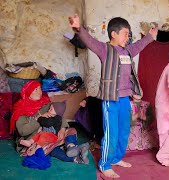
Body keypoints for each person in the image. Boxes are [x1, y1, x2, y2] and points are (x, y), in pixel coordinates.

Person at [68, 14, 158, 178]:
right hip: (110, 100)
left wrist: (150, 37)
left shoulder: (128, 51)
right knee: (112, 133)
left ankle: (116, 158)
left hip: (125, 99)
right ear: (113, 34)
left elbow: (139, 45)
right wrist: (78, 28)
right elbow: (89, 41)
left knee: (124, 131)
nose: (128, 37)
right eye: (125, 33)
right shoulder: (105, 50)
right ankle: (105, 163)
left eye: (129, 34)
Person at [10, 80, 90, 164]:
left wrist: (62, 128)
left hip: (51, 134)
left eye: (40, 88)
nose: (39, 92)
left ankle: (71, 147)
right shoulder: (20, 109)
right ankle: (75, 158)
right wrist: (39, 119)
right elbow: (23, 131)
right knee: (50, 148)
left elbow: (58, 114)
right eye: (35, 90)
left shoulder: (45, 103)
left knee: (71, 131)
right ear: (27, 92)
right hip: (34, 139)